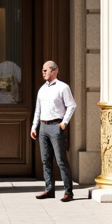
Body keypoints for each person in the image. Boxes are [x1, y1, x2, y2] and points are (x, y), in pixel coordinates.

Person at [30, 60, 76, 201]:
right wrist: (34, 127)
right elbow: (38, 109)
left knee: (61, 160)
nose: (43, 72)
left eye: (46, 70)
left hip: (56, 126)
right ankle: (49, 189)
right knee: (46, 160)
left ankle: (68, 191)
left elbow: (72, 105)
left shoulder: (63, 87)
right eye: (43, 70)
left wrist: (64, 123)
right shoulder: (42, 89)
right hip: (43, 127)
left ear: (55, 71)